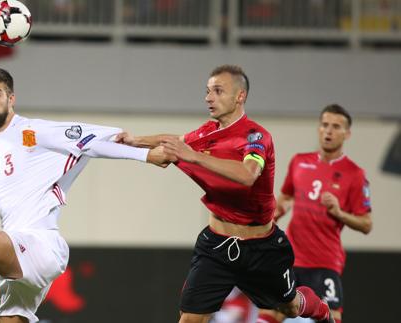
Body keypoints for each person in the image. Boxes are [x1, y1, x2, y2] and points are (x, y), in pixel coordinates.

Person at [0, 67, 169, 323]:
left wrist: (146, 154)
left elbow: (90, 144)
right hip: (17, 250)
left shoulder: (32, 132)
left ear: (11, 98)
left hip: (39, 244)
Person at [116, 65, 335, 323]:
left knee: (289, 307)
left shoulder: (256, 136)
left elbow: (248, 174)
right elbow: (176, 140)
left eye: (218, 91)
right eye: (207, 91)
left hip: (261, 248)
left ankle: (320, 310)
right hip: (216, 246)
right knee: (189, 319)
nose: (209, 98)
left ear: (240, 96)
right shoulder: (208, 132)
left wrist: (193, 156)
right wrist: (135, 140)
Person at [257, 104, 372, 323]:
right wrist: (272, 216)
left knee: (331, 317)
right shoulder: (299, 161)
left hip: (325, 262)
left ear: (347, 134)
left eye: (336, 126)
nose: (328, 131)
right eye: (325, 125)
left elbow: (366, 224)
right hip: (291, 256)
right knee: (270, 312)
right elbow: (286, 197)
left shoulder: (355, 174)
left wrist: (339, 213)